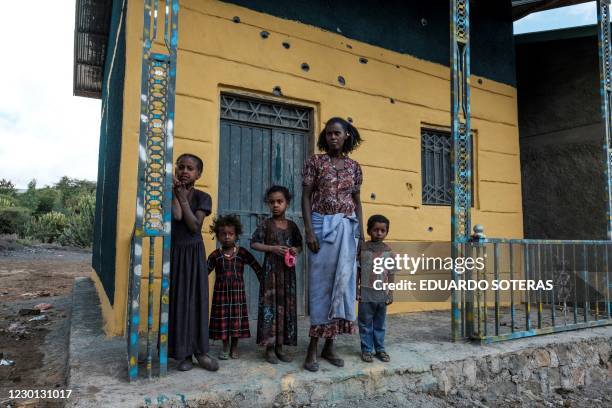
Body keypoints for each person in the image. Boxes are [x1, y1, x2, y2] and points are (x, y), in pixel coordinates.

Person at [301, 117, 364, 372]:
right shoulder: (315, 162)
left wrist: (360, 235)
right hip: (321, 227)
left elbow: (357, 202)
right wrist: (308, 231)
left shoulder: (354, 167)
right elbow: (306, 197)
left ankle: (330, 345)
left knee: (342, 283)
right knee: (321, 286)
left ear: (347, 135)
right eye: (329, 134)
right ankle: (312, 348)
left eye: (337, 133)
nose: (332, 137)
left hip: (348, 229)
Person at [168, 153, 219, 372]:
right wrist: (176, 194)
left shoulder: (203, 197)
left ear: (199, 174)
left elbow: (193, 226)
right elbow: (177, 217)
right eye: (181, 167)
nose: (185, 171)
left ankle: (201, 351)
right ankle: (184, 354)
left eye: (190, 168)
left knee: (196, 301)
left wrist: (181, 196)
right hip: (177, 253)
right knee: (179, 301)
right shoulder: (170, 193)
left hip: (194, 252)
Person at [251, 185, 303, 364]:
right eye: (272, 202)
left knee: (285, 308)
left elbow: (300, 245)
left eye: (279, 201)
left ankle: (281, 347)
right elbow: (254, 243)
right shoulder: (266, 224)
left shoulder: (293, 226)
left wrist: (295, 250)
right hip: (271, 273)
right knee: (270, 308)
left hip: (288, 274)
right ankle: (269, 348)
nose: (275, 205)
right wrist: (272, 248)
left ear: (287, 203)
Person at [207, 214, 262, 360]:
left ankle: (234, 347)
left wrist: (264, 279)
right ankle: (225, 346)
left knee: (236, 320)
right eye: (223, 234)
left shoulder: (242, 253)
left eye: (230, 234)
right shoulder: (215, 255)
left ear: (236, 235)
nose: (227, 237)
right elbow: (204, 271)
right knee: (223, 320)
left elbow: (255, 265)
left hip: (237, 295)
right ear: (217, 236)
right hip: (221, 295)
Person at [357, 214, 395, 363]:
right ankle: (367, 350)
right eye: (375, 230)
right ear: (368, 231)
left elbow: (391, 274)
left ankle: (380, 349)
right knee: (365, 323)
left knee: (380, 324)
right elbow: (358, 271)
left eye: (382, 230)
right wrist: (356, 290)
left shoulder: (389, 252)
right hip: (366, 293)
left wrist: (390, 293)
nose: (379, 233)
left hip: (381, 294)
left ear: (386, 232)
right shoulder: (363, 249)